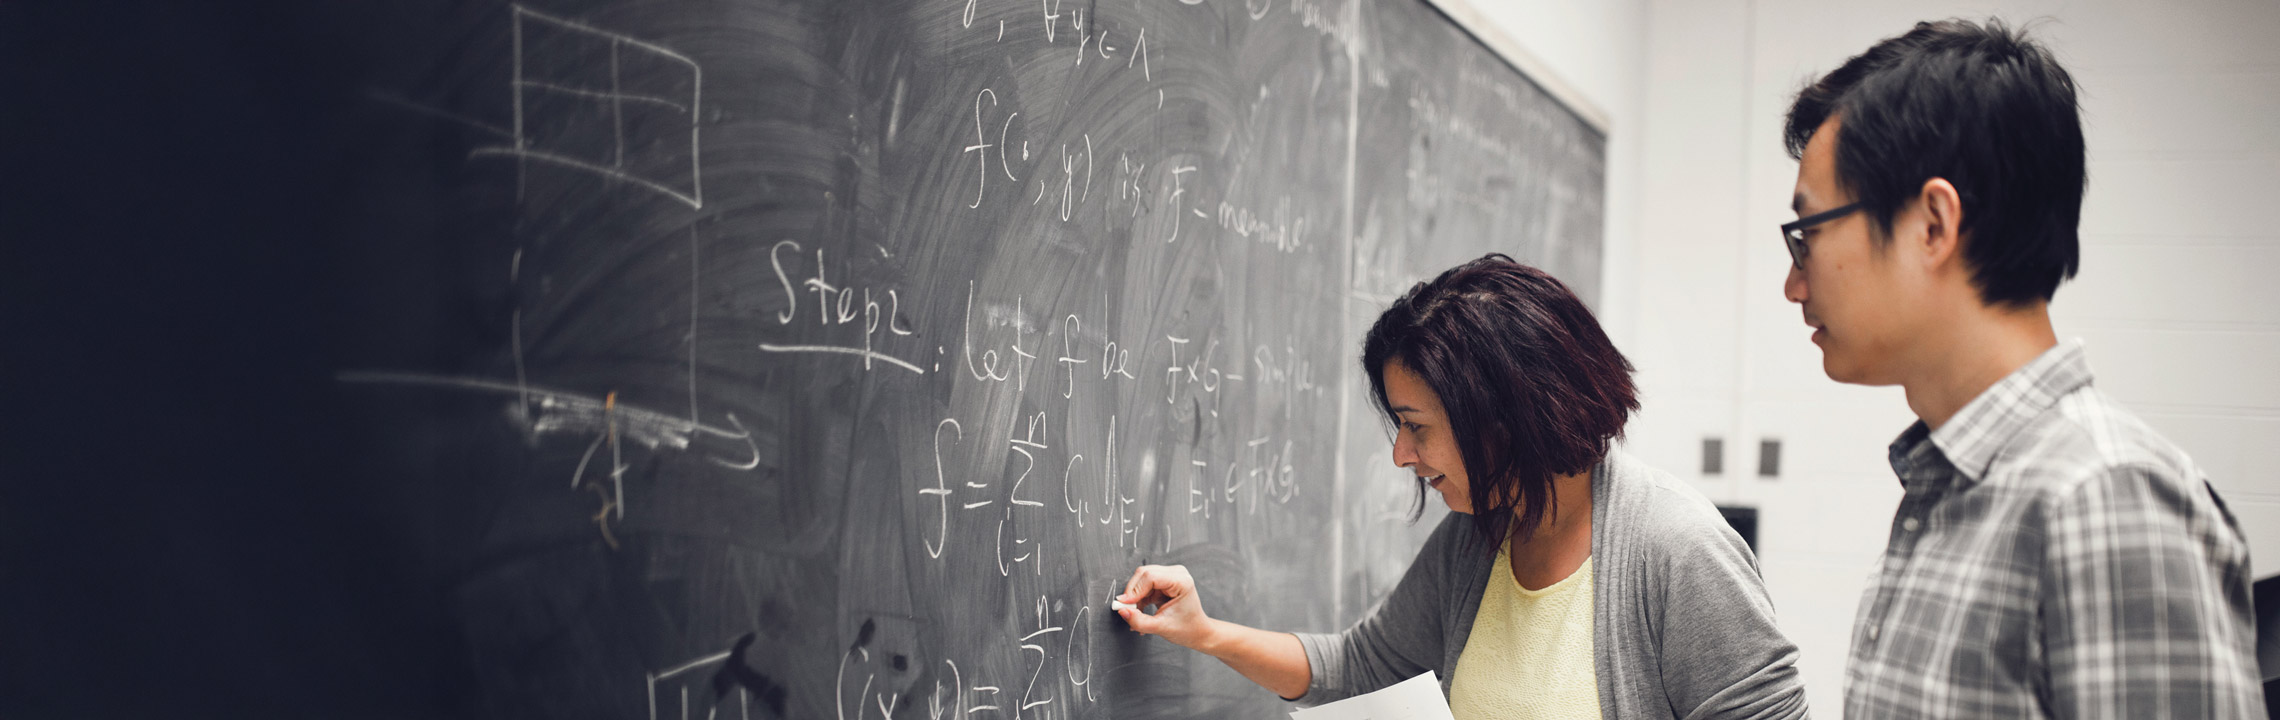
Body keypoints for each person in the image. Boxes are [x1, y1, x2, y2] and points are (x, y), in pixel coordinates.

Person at [1777, 18, 2263, 718]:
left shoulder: (2102, 499)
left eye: (1808, 236)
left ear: (1933, 225)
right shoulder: (1947, 489)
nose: (1794, 286)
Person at [1116, 255, 1811, 719]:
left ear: (1504, 418)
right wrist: (1204, 633)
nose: (1400, 454)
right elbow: (1358, 665)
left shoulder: (1677, 551)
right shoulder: (1473, 545)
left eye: (1416, 426)